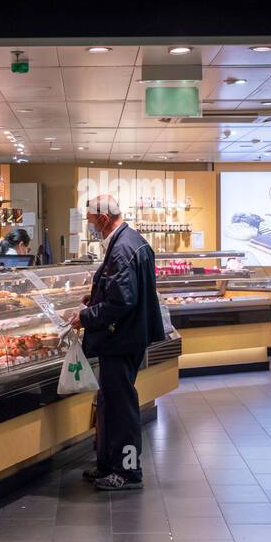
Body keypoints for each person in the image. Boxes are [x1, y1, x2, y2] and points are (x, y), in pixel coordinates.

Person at [67, 194, 164, 491]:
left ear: (104, 219)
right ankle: (108, 463)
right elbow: (121, 291)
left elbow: (122, 301)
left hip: (121, 339)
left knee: (121, 405)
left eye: (91, 222)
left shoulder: (121, 249)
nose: (91, 228)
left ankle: (129, 471)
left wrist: (87, 316)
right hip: (127, 337)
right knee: (110, 401)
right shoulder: (134, 240)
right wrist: (95, 297)